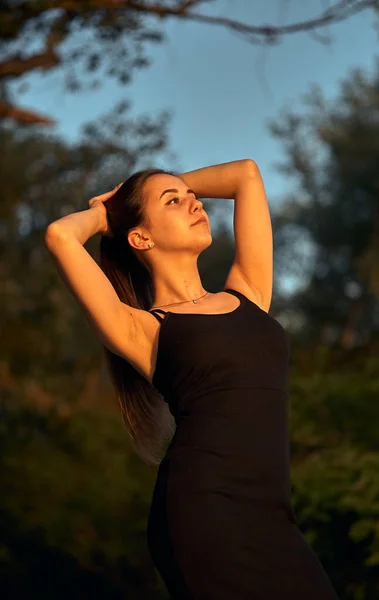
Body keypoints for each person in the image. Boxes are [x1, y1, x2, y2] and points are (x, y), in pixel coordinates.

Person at [44, 160, 339, 599]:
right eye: (174, 201)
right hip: (205, 509)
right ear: (140, 237)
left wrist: (145, 189)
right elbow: (60, 236)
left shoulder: (247, 292)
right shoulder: (144, 329)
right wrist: (110, 212)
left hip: (273, 514)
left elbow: (246, 175)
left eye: (190, 195)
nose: (193, 201)